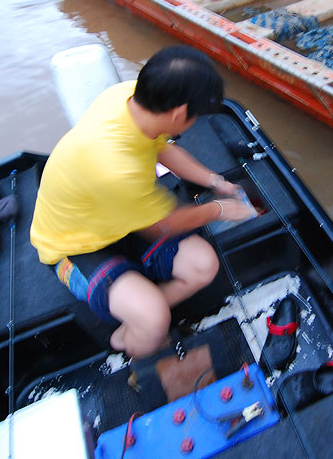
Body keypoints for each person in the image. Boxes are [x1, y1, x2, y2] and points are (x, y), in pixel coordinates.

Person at [30, 46, 256, 358]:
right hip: (73, 246)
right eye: (195, 116)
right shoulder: (117, 168)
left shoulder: (127, 98)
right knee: (154, 319)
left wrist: (214, 181)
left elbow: (163, 149)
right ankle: (132, 336)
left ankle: (143, 308)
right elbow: (165, 225)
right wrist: (220, 209)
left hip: (121, 218)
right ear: (179, 114)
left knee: (204, 265)